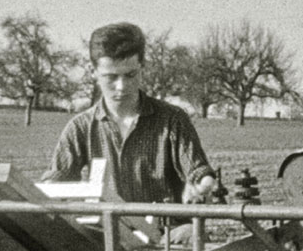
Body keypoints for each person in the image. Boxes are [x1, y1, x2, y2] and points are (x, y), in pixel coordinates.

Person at [44, 22, 220, 206]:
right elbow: (56, 181)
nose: (121, 87)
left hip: (166, 229)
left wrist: (202, 187)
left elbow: (198, 171)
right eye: (111, 77)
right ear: (93, 72)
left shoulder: (172, 120)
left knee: (188, 236)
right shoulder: (80, 127)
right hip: (105, 229)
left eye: (130, 75)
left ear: (142, 67)